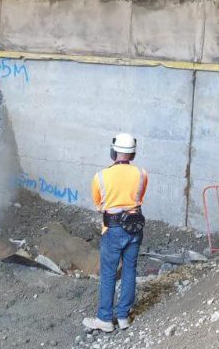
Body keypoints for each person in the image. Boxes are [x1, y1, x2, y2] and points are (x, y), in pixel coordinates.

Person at [82, 133, 148, 332]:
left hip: (113, 229)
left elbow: (98, 203)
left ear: (113, 151)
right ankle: (123, 317)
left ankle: (104, 319)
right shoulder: (142, 174)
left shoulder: (101, 176)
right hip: (135, 227)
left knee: (109, 273)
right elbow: (140, 197)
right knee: (129, 270)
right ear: (133, 154)